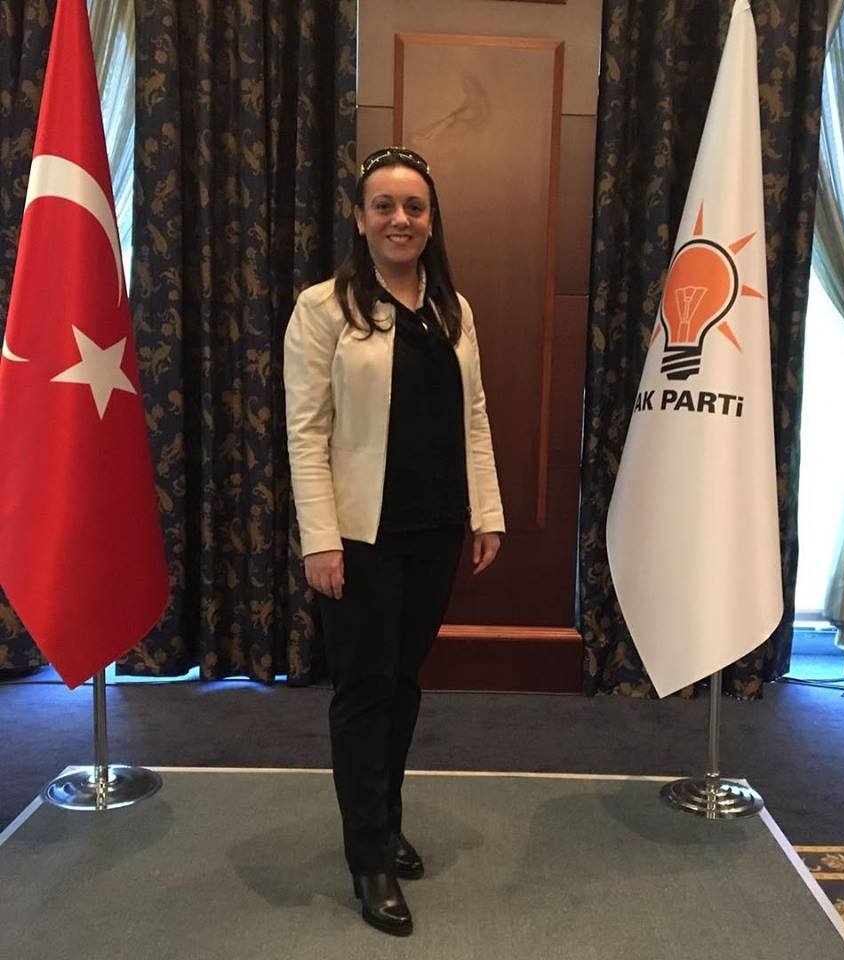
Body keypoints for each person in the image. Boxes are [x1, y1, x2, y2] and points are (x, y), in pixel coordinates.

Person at [283, 146, 505, 937]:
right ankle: (367, 857)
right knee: (364, 690)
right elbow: (305, 433)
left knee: (404, 684)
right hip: (359, 536)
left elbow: (473, 417)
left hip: (435, 529)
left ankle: (386, 822)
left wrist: (486, 512)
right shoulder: (323, 309)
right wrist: (320, 540)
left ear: (431, 221)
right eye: (384, 205)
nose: (399, 219)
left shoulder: (454, 309)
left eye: (414, 207)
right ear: (360, 217)